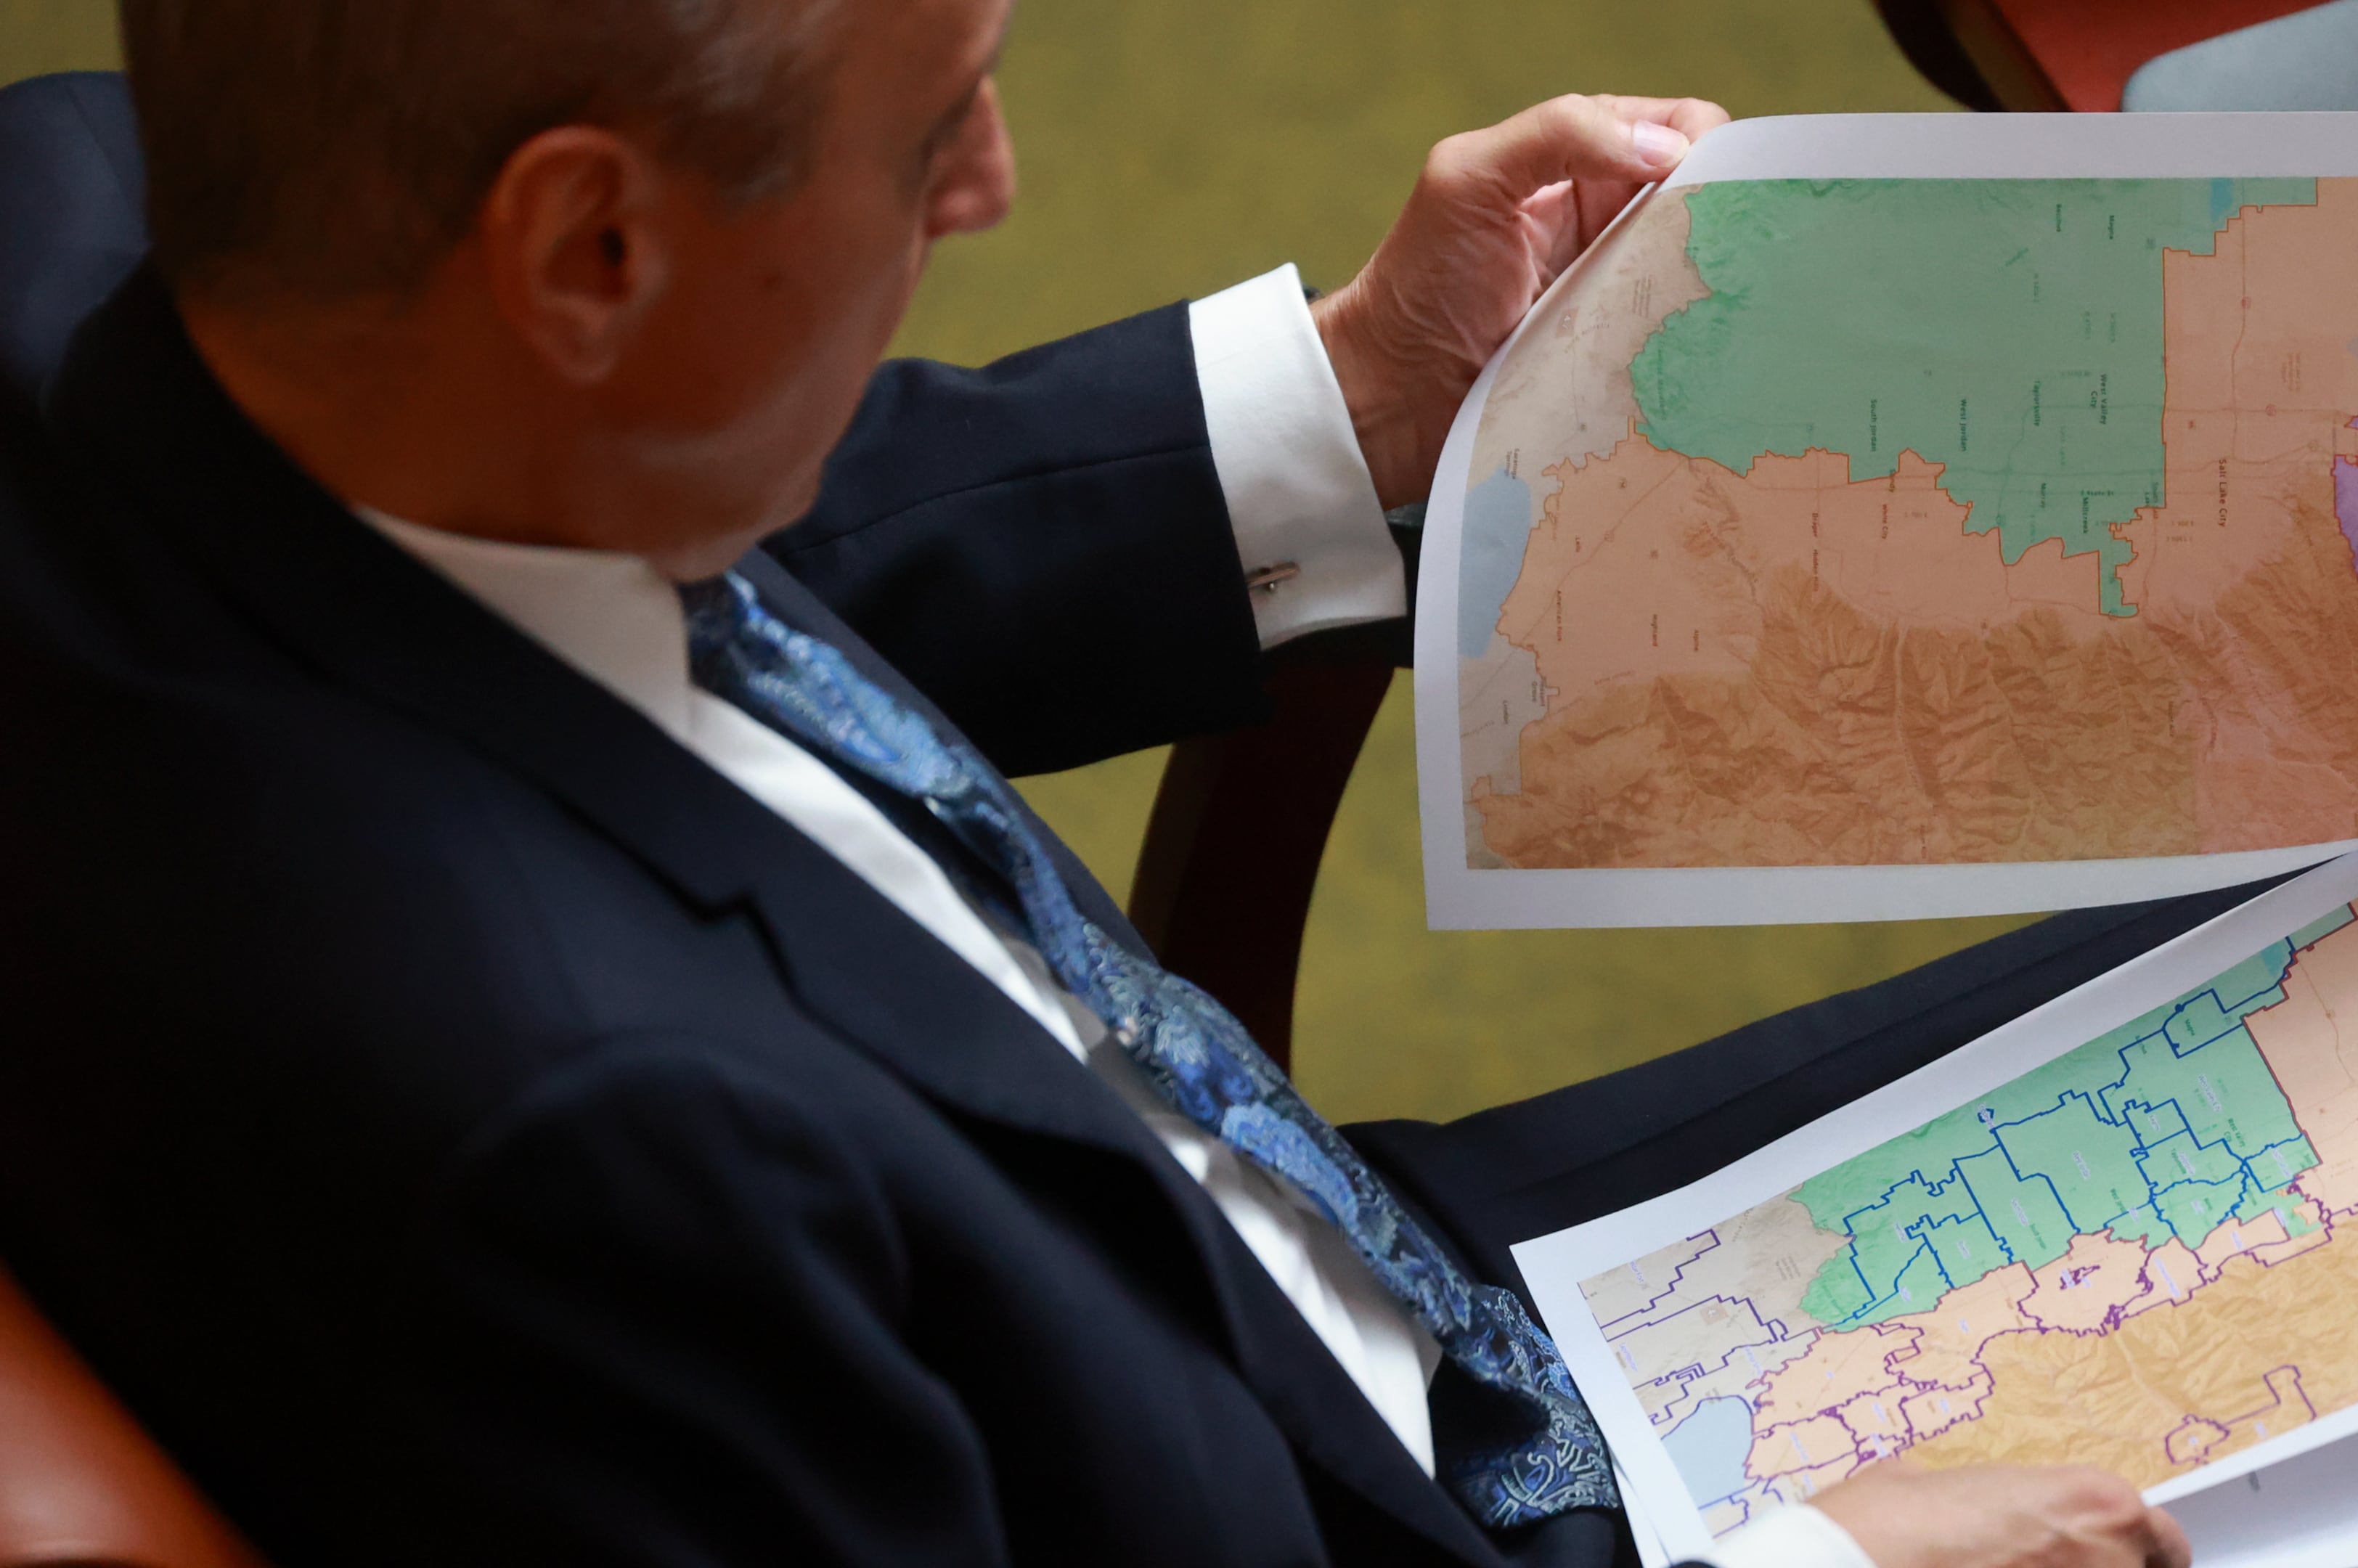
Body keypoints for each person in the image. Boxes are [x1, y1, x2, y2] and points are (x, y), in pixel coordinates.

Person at [0, 3, 2208, 1564]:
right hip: (1403, 1498)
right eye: (934, 124)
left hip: (1318, 1264)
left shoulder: (116, 244)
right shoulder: (592, 1158)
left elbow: (674, 470)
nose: (996, 185)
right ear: (586, 248)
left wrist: (1343, 401)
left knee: (2335, 965)